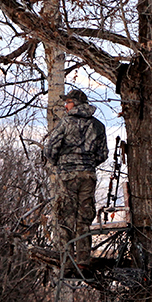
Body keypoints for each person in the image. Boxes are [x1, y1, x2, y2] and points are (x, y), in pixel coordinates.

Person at [44, 89, 109, 269]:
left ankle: (66, 262)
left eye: (69, 102)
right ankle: (83, 262)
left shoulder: (65, 123)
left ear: (77, 103)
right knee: (84, 218)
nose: (65, 106)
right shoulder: (98, 125)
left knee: (66, 217)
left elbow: (50, 150)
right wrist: (87, 163)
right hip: (88, 175)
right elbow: (103, 154)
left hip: (67, 176)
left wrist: (61, 162)